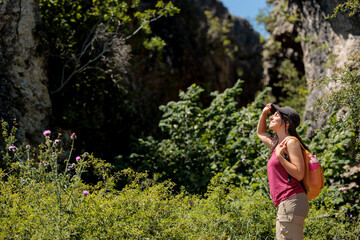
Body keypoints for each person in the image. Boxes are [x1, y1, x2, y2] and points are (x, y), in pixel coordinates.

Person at [257, 103, 309, 240]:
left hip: (291, 199)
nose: (271, 117)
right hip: (287, 202)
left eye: (276, 115)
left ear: (287, 123)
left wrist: (280, 157)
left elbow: (299, 173)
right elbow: (261, 133)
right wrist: (263, 114)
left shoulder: (290, 143)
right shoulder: (278, 145)